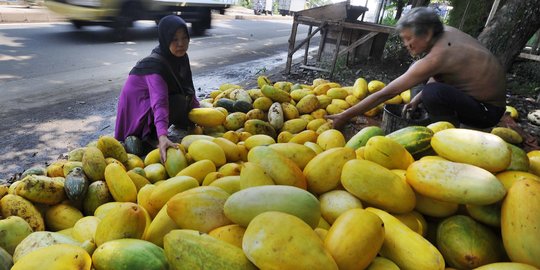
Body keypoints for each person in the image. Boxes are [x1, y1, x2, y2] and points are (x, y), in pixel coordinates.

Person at [326, 7, 506, 130]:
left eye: (408, 39)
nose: (406, 44)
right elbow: (444, 73)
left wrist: (345, 115)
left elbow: (386, 93)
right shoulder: (445, 33)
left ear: (427, 33)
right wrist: (416, 100)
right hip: (477, 100)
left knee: (432, 93)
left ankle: (446, 134)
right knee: (422, 86)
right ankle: (433, 113)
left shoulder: (437, 56)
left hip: (486, 112)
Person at [114, 15, 199, 161]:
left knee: (186, 103)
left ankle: (163, 127)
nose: (181, 44)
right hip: (136, 116)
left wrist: (199, 113)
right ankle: (149, 138)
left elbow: (187, 87)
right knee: (179, 101)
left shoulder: (181, 57)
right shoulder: (155, 66)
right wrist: (163, 136)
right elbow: (160, 102)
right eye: (174, 39)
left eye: (184, 38)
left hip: (151, 107)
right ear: (165, 40)